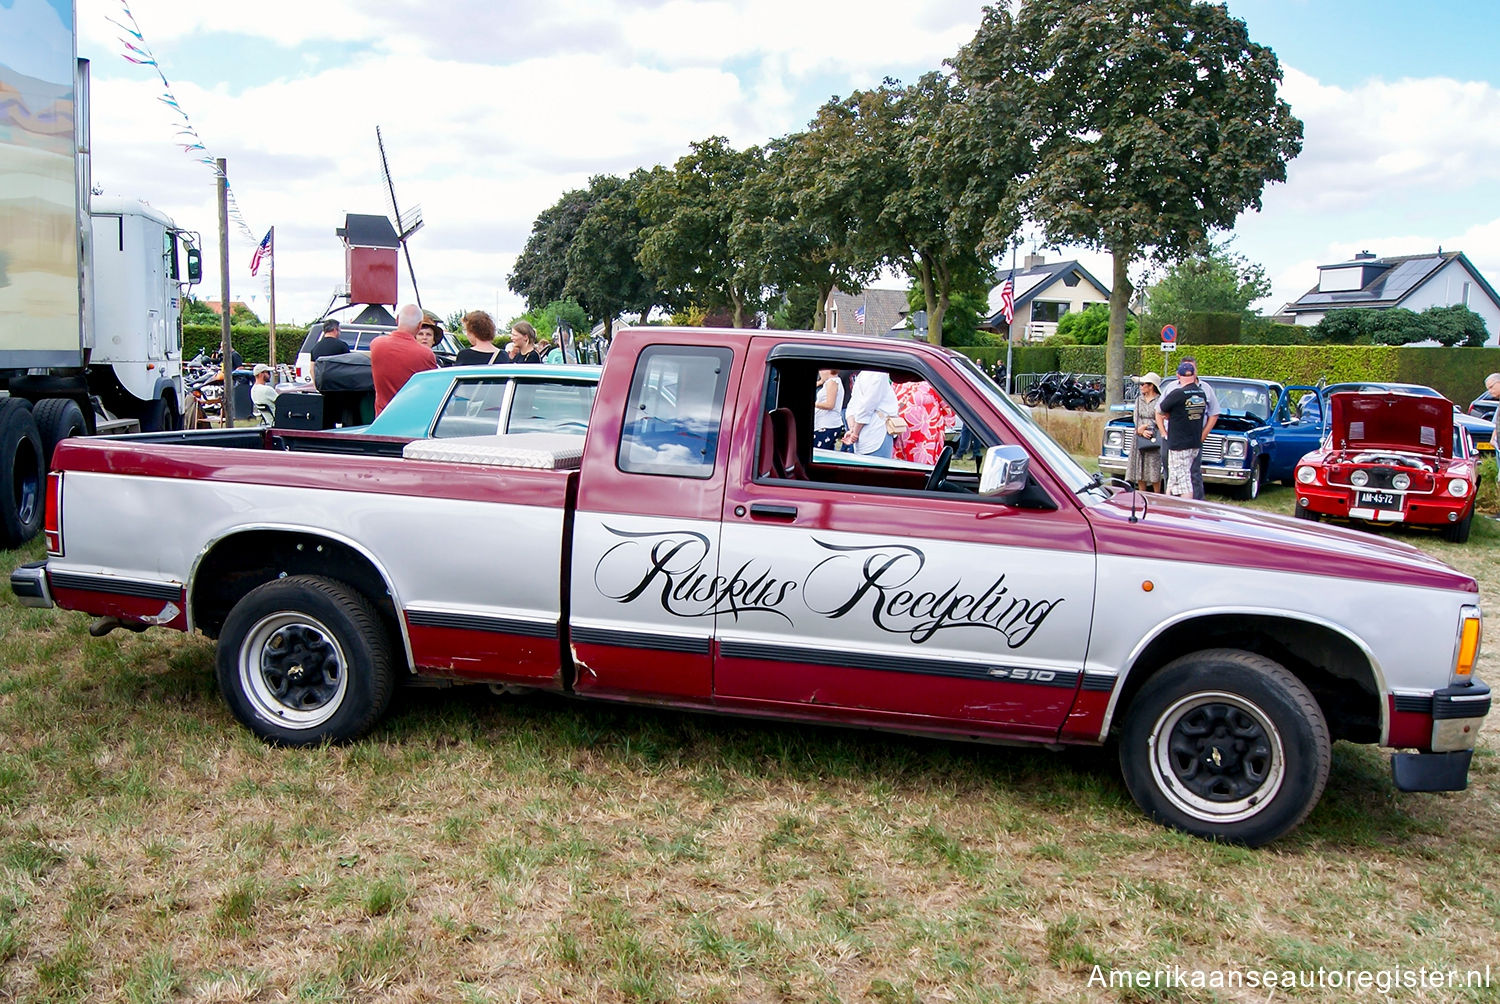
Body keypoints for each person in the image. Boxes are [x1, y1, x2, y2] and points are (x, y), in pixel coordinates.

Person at [1155, 360, 1210, 498]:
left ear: (1178, 376)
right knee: (1174, 475)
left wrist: (1170, 415)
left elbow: (1161, 410)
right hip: (1194, 441)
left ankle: (1185, 508)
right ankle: (1169, 502)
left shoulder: (1177, 393)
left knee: (1184, 478)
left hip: (1179, 442)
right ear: (1193, 375)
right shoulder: (1201, 393)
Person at [370, 303, 437, 415]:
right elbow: (432, 390)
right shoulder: (426, 354)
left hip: (382, 419)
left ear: (397, 320)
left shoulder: (377, 344)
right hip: (411, 419)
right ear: (419, 325)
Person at [1179, 355, 1219, 500]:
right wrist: (1165, 432)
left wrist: (1203, 435)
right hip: (1175, 439)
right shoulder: (1172, 388)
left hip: (1195, 438)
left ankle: (1197, 505)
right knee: (1173, 472)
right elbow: (1160, 410)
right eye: (1186, 369)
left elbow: (1214, 413)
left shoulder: (1206, 389)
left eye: (1192, 369)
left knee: (1194, 472)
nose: (1189, 372)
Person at [893, 379, 953, 465]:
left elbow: (946, 403)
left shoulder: (933, 381)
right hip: (902, 429)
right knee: (903, 460)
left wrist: (949, 421)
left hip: (926, 431)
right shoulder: (898, 382)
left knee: (923, 458)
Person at [842, 369, 899, 459]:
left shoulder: (863, 374)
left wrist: (853, 429)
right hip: (875, 432)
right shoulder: (877, 373)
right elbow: (867, 406)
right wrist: (854, 432)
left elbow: (854, 405)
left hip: (866, 432)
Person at [1126, 372, 1164, 492]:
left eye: (1143, 384)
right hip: (1139, 435)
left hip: (1154, 436)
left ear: (1151, 386)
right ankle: (1141, 494)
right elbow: (1136, 417)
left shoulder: (1160, 400)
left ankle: (1157, 494)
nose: (1141, 386)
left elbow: (1160, 418)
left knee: (1153, 466)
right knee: (1139, 466)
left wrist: (1149, 428)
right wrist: (1140, 430)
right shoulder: (1139, 400)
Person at [812, 368, 845, 450]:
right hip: (826, 423)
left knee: (819, 451)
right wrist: (820, 382)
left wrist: (813, 404)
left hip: (826, 424)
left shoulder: (832, 382)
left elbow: (830, 405)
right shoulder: (831, 381)